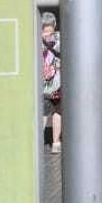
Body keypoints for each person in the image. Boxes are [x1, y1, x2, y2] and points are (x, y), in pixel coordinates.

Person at [41, 12, 62, 153]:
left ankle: (38, 142)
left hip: (44, 85)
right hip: (56, 84)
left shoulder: (36, 39)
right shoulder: (58, 38)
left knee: (43, 113)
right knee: (57, 112)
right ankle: (55, 143)